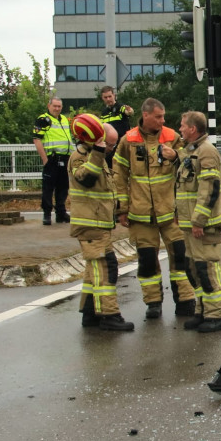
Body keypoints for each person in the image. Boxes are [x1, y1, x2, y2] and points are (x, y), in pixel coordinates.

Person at [113, 98, 195, 320]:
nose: (163, 120)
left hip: (172, 212)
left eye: (163, 116)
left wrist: (177, 155)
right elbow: (119, 176)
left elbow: (192, 159)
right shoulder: (128, 141)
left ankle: (186, 301)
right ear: (146, 115)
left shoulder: (172, 137)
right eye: (158, 116)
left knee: (180, 257)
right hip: (141, 214)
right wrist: (122, 209)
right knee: (147, 261)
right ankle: (153, 303)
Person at [68, 119, 134, 332]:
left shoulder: (97, 157)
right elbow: (85, 179)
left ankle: (90, 313)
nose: (112, 149)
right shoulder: (81, 157)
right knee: (105, 268)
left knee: (93, 271)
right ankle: (109, 315)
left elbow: (107, 191)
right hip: (90, 225)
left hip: (98, 224)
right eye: (110, 144)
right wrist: (98, 152)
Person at [175, 111, 221, 333]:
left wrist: (198, 221)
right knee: (193, 269)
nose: (180, 129)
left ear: (193, 129)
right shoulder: (192, 152)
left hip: (203, 225)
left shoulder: (207, 152)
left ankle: (217, 315)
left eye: (182, 126)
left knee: (207, 269)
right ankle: (202, 311)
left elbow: (209, 189)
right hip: (190, 224)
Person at [33, 97, 74, 226]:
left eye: (59, 106)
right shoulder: (43, 120)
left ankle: (60, 213)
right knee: (48, 187)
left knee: (63, 187)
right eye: (55, 106)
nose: (57, 109)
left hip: (65, 157)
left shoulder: (64, 120)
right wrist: (45, 159)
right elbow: (37, 139)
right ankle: (46, 214)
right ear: (49, 106)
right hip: (52, 157)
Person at [99, 86, 134, 168]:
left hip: (122, 145)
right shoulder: (104, 112)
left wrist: (129, 111)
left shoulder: (120, 107)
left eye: (110, 96)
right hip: (110, 147)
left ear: (114, 95)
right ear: (102, 98)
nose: (108, 99)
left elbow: (128, 111)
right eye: (105, 97)